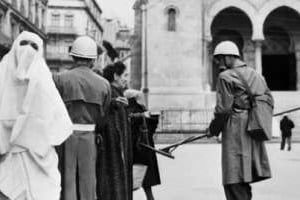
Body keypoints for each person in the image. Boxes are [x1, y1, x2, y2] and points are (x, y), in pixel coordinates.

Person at [0, 31, 73, 200]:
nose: (28, 50)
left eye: (34, 46)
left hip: (37, 152)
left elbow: (58, 118)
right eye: (24, 43)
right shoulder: (2, 73)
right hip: (7, 152)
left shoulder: (43, 78)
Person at [208, 41, 272, 200]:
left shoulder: (225, 76)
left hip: (235, 126)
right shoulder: (256, 74)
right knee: (244, 175)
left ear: (227, 57)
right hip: (253, 125)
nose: (218, 64)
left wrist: (213, 129)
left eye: (219, 59)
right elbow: (269, 99)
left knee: (233, 175)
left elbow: (223, 110)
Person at [53, 36, 111, 200]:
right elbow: (104, 116)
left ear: (73, 56)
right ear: (93, 60)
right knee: (88, 180)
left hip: (65, 136)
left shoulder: (59, 79)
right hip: (89, 136)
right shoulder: (104, 84)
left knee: (67, 178)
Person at [99, 62, 132, 200]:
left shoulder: (117, 93)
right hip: (114, 148)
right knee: (115, 180)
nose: (127, 79)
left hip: (117, 147)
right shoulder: (111, 93)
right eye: (125, 75)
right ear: (115, 76)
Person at [124, 89, 161, 200]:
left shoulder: (129, 111)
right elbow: (152, 129)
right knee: (147, 186)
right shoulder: (145, 112)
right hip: (146, 151)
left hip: (135, 151)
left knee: (130, 184)